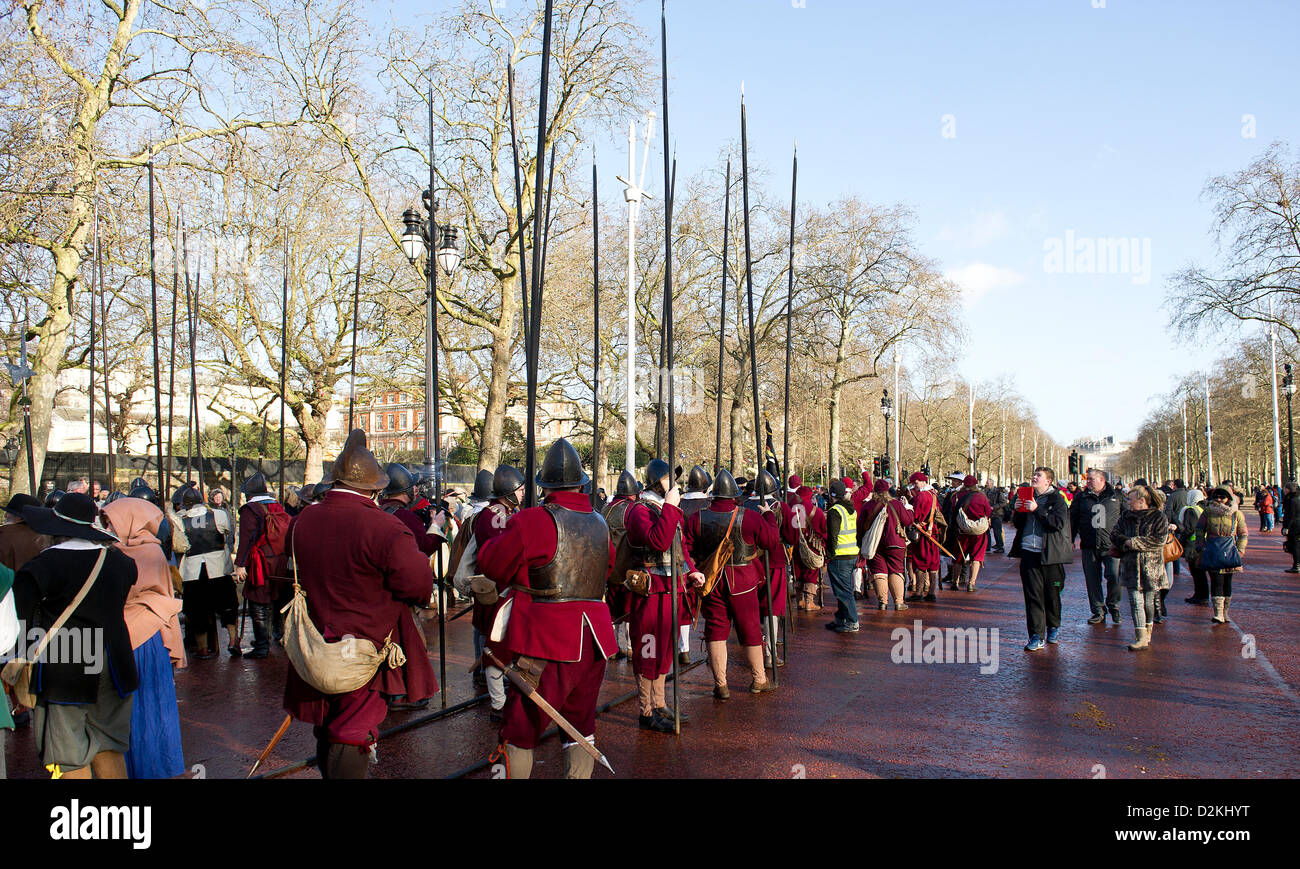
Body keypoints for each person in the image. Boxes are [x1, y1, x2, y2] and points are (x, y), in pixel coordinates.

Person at [282, 430, 435, 779]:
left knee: (329, 724)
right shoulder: (385, 526)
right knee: (353, 731)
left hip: (316, 640)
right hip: (367, 645)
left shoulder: (303, 520)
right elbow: (417, 585)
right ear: (374, 488)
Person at [475, 438, 616, 779]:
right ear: (581, 482)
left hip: (548, 639)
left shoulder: (532, 520)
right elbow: (607, 567)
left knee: (520, 726)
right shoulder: (599, 521)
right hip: (595, 637)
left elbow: (493, 565)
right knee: (579, 724)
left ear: (545, 485)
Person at [11, 493, 138, 778]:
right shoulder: (121, 562)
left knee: (68, 753)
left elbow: (18, 622)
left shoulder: (41, 567)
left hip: (66, 661)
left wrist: (14, 662)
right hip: (115, 660)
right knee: (110, 746)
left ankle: (81, 821)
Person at [101, 497, 186, 778]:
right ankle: (159, 766)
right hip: (153, 636)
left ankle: (133, 767)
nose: (108, 525)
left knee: (127, 707)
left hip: (126, 636)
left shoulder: (113, 553)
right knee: (156, 705)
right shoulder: (156, 552)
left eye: (112, 520)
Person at [623, 458, 705, 733]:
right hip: (650, 591)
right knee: (648, 649)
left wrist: (692, 571)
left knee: (666, 649)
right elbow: (658, 540)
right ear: (656, 482)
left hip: (673, 587)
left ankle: (659, 703)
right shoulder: (640, 511)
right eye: (669, 479)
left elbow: (678, 548)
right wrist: (671, 506)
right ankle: (646, 711)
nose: (675, 483)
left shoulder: (667, 508)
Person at [685, 468, 780, 700]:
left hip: (711, 580)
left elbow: (685, 548)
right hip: (743, 580)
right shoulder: (750, 516)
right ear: (734, 495)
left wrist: (694, 570)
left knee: (716, 630)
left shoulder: (698, 517)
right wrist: (768, 516)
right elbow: (771, 541)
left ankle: (721, 684)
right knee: (749, 629)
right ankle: (759, 679)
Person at [468, 464, 524, 721]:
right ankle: (498, 704)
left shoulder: (503, 512)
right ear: (509, 491)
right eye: (520, 490)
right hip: (496, 592)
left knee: (506, 647)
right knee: (495, 649)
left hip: (504, 592)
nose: (523, 494)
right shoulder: (495, 515)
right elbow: (503, 555)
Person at [1010, 467, 1072, 651]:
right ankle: (1036, 635)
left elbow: (1057, 524)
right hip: (1029, 552)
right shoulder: (1026, 495)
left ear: (1048, 481)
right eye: (1034, 474)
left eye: (1039, 476)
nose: (1034, 477)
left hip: (1051, 554)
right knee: (1033, 596)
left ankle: (1053, 625)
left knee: (1051, 596)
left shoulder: (1058, 500)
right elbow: (1018, 524)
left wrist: (1038, 510)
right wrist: (1017, 511)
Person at [175, 485, 239, 658]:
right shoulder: (218, 515)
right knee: (228, 606)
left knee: (197, 611)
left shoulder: (180, 519)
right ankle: (233, 639)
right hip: (217, 567)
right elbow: (227, 533)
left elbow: (178, 544)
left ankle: (203, 648)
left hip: (193, 571)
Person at [1110, 484, 1173, 651]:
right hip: (1130, 566)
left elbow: (1159, 540)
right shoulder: (1125, 516)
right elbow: (1114, 534)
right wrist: (1125, 542)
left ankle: (1148, 630)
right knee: (1135, 602)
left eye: (1130, 499)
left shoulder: (1158, 516)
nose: (1128, 502)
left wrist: (1134, 542)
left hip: (1151, 567)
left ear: (1142, 500)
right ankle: (1140, 637)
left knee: (1148, 603)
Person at [1071, 468, 1123, 625]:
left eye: (1091, 479)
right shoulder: (1081, 497)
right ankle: (1098, 610)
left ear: (1102, 480)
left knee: (1114, 576)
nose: (1088, 482)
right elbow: (1073, 518)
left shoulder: (1116, 496)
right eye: (1087, 479)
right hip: (1089, 544)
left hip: (1111, 545)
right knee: (1092, 579)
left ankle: (1114, 606)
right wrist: (1070, 539)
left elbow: (1127, 516)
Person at [857, 478, 914, 611]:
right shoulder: (896, 504)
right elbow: (908, 521)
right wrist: (909, 508)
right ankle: (899, 602)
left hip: (874, 545)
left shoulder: (868, 506)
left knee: (879, 572)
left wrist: (860, 543)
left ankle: (883, 602)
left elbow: (860, 527)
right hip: (895, 543)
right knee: (896, 570)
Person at [1195, 487, 1249, 625]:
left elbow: (1243, 534)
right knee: (1216, 581)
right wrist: (1200, 545)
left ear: (1228, 499)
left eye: (1222, 497)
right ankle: (1218, 613)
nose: (1219, 500)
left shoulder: (1237, 514)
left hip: (1229, 551)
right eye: (1216, 497)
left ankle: (1225, 612)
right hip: (1212, 550)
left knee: (1227, 582)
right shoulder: (1207, 512)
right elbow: (1199, 529)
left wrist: (1240, 550)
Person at [601, 470, 640, 660]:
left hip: (609, 569)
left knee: (611, 610)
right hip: (629, 569)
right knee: (630, 611)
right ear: (633, 494)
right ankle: (631, 648)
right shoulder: (634, 510)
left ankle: (615, 646)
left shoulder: (604, 509)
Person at [824, 479, 859, 632]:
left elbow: (833, 535)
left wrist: (829, 554)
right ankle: (841, 618)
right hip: (851, 552)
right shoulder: (851, 509)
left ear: (832, 496)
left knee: (843, 592)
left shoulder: (835, 511)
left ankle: (852, 621)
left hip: (840, 555)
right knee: (843, 589)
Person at [904, 472, 944, 602]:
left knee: (920, 563)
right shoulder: (933, 494)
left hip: (923, 534)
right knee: (933, 564)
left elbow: (915, 516)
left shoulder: (922, 496)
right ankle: (932, 592)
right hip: (932, 532)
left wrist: (907, 506)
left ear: (923, 482)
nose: (914, 486)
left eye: (916, 483)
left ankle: (919, 592)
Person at [789, 483, 826, 611]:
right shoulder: (817, 511)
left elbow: (793, 530)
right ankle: (809, 602)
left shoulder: (795, 509)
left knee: (798, 572)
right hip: (813, 546)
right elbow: (823, 530)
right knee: (811, 572)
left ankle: (800, 601)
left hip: (797, 546)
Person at [985, 482, 1008, 553]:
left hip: (997, 514)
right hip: (989, 514)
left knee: (997, 531)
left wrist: (994, 507)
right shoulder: (986, 492)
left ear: (992, 484)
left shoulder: (998, 492)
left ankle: (1000, 546)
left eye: (988, 483)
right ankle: (988, 546)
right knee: (987, 531)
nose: (986, 484)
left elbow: (1004, 502)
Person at [1284, 482, 1300, 574]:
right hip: (1297, 524)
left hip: (1294, 526)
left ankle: (1296, 565)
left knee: (1295, 546)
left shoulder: (1292, 500)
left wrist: (1286, 527)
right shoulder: (1295, 498)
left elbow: (1291, 515)